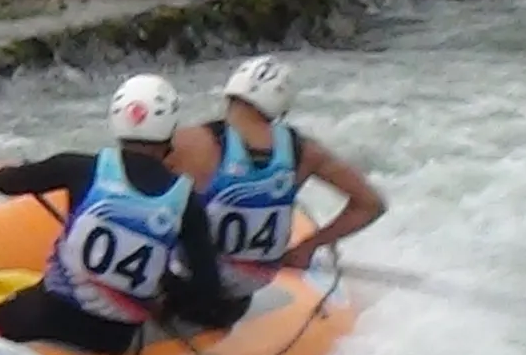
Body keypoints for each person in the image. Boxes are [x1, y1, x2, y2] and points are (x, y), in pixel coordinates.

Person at [0, 75, 229, 355]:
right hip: (113, 339)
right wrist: (167, 299)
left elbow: (7, 182)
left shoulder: (77, 167)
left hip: (49, 317)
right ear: (170, 128)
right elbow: (208, 289)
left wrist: (3, 169)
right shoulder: (188, 202)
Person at [164, 56, 388, 324]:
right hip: (243, 293)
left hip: (186, 284)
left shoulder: (188, 142)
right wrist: (309, 246)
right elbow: (371, 204)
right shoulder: (305, 151)